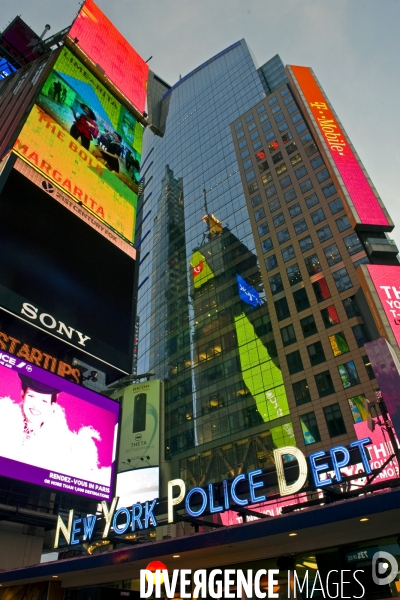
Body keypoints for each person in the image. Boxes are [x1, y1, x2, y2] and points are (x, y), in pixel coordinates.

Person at [0, 375, 109, 484]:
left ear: (52, 406)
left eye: (43, 401)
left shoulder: (66, 446)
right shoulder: (4, 420)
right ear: (22, 395)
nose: (36, 405)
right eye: (31, 396)